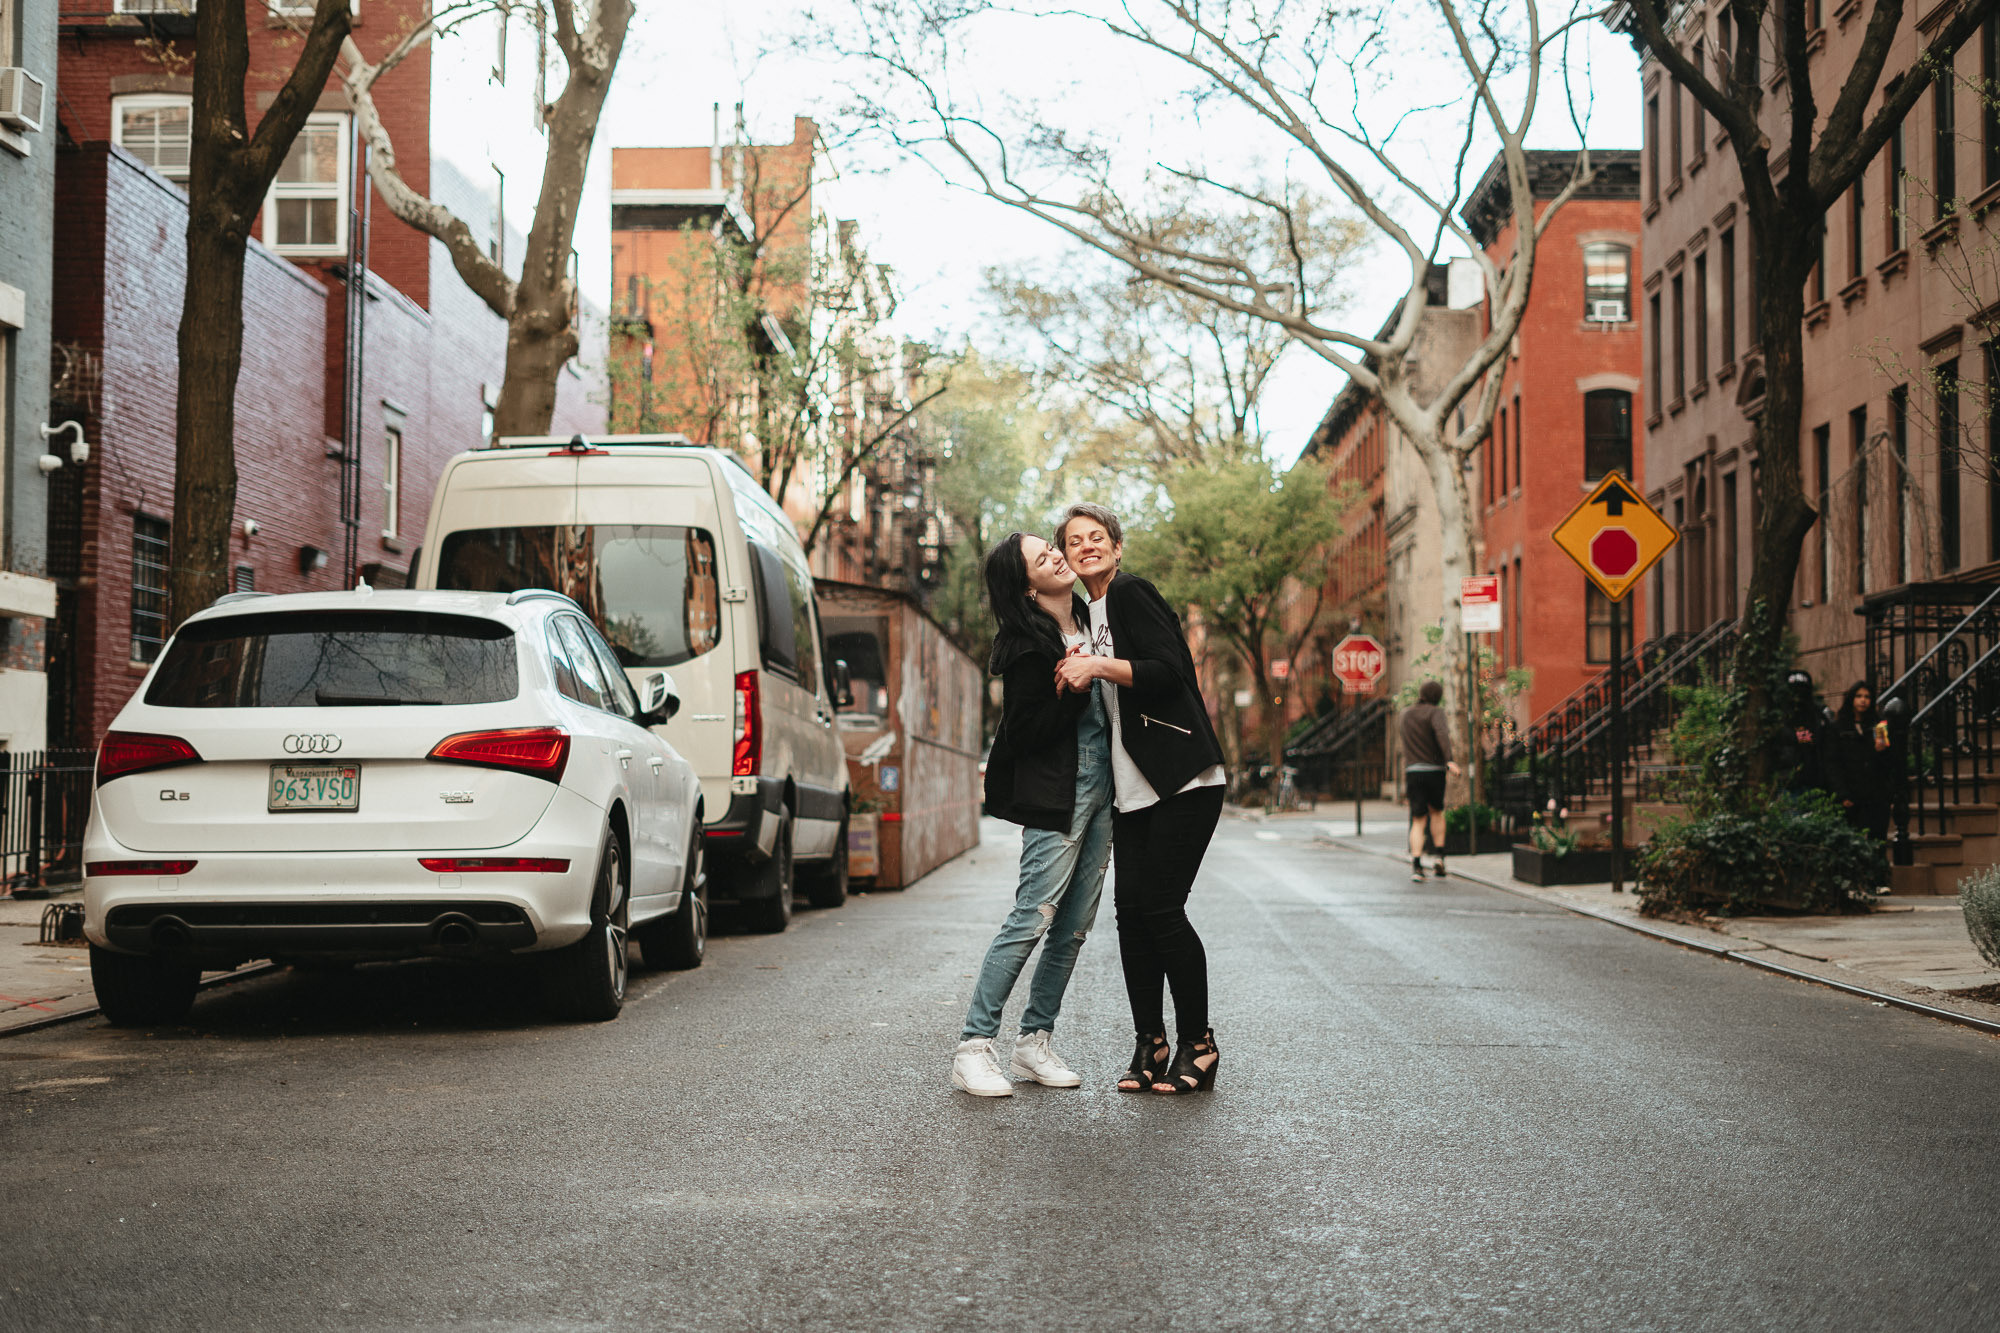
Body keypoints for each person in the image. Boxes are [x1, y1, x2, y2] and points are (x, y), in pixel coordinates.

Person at [1052, 502, 1229, 1095]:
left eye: (1097, 537)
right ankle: (1149, 1041)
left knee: (1161, 910)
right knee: (1131, 918)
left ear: (1117, 547)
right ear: (1067, 558)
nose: (1087, 547)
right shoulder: (1082, 613)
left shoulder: (1131, 593)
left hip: (1181, 780)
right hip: (1131, 790)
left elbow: (1170, 671)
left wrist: (1097, 665)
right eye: (1074, 542)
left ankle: (1199, 1045)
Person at [952, 532, 1114, 1098]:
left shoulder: (1095, 625)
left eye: (1053, 548)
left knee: (1073, 926)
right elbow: (1024, 733)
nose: (1056, 556)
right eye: (1041, 557)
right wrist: (1071, 685)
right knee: (1033, 915)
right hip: (1057, 790)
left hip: (1103, 791)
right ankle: (974, 1046)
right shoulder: (1026, 645)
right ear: (1026, 585)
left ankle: (1033, 1041)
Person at [1400, 681, 1462, 881]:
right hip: (1434, 771)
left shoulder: (1406, 714)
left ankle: (1417, 866)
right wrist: (1449, 760)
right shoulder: (1436, 712)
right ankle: (1439, 857)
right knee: (1437, 813)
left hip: (1413, 771)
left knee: (1418, 819)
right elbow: (1442, 734)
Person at [1824, 680, 1894, 849]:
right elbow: (1832, 763)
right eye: (1859, 696)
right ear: (1851, 699)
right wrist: (1842, 794)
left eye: (1867, 697)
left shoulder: (1878, 726)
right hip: (1851, 792)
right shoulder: (1837, 728)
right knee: (1851, 842)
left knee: (1877, 840)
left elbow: (1888, 762)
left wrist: (1881, 750)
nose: (1863, 700)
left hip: (1875, 794)